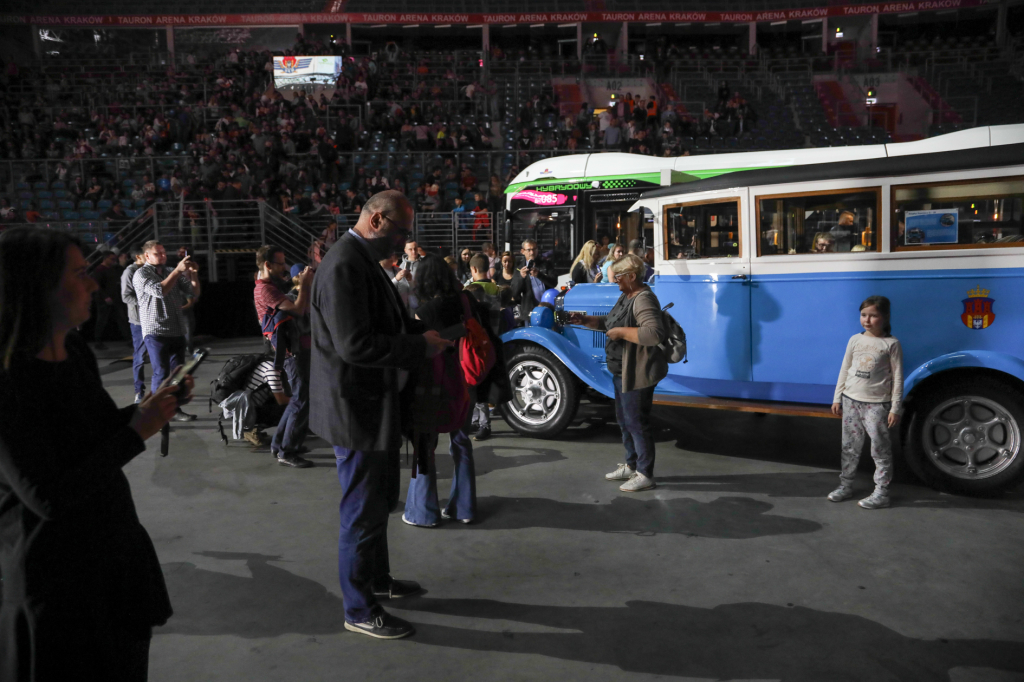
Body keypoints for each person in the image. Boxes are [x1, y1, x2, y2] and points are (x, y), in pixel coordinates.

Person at [0, 227, 192, 681]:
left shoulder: (75, 351)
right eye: (80, 273)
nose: (92, 284)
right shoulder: (8, 380)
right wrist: (136, 431)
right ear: (38, 286)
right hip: (57, 582)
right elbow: (45, 495)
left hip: (110, 562)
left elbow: (94, 431)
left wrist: (150, 408)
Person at [310, 190, 452, 640]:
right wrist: (419, 345)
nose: (403, 241)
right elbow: (354, 346)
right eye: (400, 232)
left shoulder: (360, 261)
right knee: (362, 511)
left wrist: (420, 331)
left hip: (373, 409)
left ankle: (376, 581)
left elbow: (381, 326)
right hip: (357, 414)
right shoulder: (343, 265)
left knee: (379, 503)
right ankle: (357, 608)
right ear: (376, 220)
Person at [568, 254, 667, 493]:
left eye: (619, 277)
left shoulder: (643, 299)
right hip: (621, 370)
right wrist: (586, 320)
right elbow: (611, 322)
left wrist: (622, 333)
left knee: (636, 422)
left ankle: (645, 473)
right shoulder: (627, 295)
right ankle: (632, 465)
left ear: (632, 277)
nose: (615, 282)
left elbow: (654, 333)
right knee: (625, 421)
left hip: (635, 372)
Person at [403, 254, 482, 527]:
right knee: (461, 441)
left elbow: (416, 351)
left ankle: (422, 512)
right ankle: (465, 507)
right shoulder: (465, 300)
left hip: (433, 383)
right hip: (466, 378)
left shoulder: (424, 313)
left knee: (425, 445)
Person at [828, 295, 903, 510]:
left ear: (885, 317)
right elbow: (845, 368)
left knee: (879, 448)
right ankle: (846, 485)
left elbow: (897, 377)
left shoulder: (892, 344)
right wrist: (837, 397)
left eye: (873, 315)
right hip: (851, 401)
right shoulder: (855, 340)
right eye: (863, 315)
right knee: (849, 446)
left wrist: (895, 407)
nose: (867, 320)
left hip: (877, 405)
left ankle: (881, 492)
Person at [253, 245, 314, 468]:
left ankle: (280, 444)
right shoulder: (265, 290)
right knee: (301, 399)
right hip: (291, 352)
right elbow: (298, 310)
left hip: (290, 349)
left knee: (298, 398)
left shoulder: (270, 287)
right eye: (280, 263)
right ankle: (287, 451)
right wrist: (305, 284)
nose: (284, 268)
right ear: (267, 265)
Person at [133, 240, 201, 422]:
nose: (162, 256)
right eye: (157, 253)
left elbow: (194, 292)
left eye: (163, 252)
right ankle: (156, 411)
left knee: (177, 374)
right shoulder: (141, 274)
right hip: (156, 330)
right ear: (147, 256)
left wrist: (193, 275)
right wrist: (179, 271)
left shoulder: (171, 271)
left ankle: (174, 409)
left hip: (177, 330)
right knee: (161, 372)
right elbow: (159, 291)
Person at [121, 245, 148, 403]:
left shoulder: (148, 270)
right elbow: (126, 296)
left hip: (153, 319)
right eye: (147, 254)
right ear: (138, 256)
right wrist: (147, 302)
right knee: (139, 356)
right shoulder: (129, 272)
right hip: (138, 321)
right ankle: (139, 391)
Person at [91, 250, 131, 349]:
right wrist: (105, 297)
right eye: (112, 259)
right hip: (104, 299)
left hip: (114, 298)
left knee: (121, 319)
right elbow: (97, 285)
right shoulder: (99, 269)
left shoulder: (111, 269)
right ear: (105, 258)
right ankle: (98, 341)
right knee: (102, 321)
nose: (114, 261)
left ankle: (128, 339)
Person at [511, 239, 557, 323]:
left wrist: (539, 275)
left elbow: (554, 283)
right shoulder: (519, 268)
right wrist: (521, 277)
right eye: (529, 250)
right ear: (522, 251)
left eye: (534, 249)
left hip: (547, 309)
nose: (532, 252)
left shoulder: (546, 264)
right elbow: (514, 292)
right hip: (529, 311)